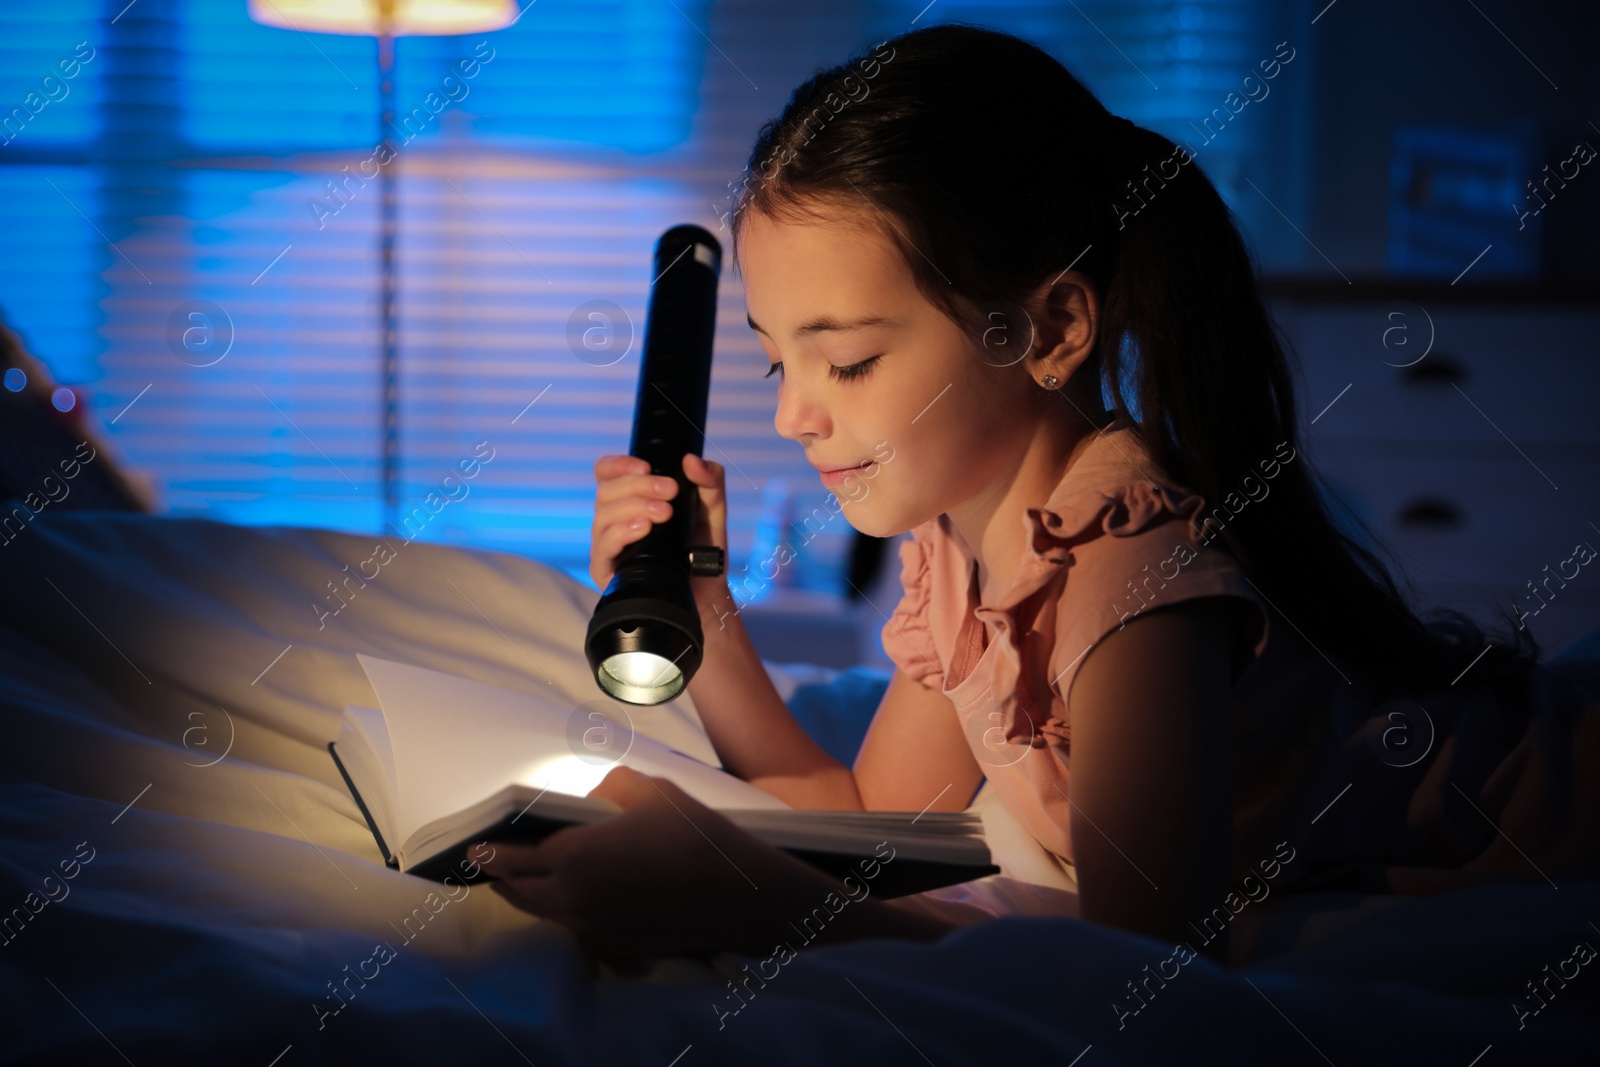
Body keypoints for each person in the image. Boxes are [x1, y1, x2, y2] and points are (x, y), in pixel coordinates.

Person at [477, 23, 1600, 969]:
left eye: (851, 361)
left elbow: (1143, 961)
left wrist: (742, 899)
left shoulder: (1129, 575)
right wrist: (701, 595)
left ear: (1051, 329)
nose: (792, 418)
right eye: (779, 362)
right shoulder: (967, 547)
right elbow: (870, 814)